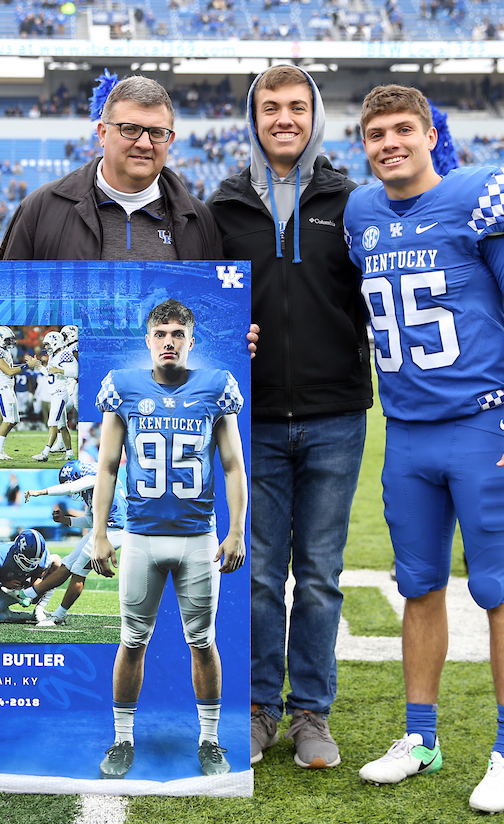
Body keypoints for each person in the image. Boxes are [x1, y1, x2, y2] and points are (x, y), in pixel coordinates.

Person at [344, 85, 504, 814]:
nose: (390, 142)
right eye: (376, 132)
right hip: (405, 434)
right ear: (364, 143)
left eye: (404, 128)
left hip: (481, 428)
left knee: (496, 584)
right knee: (419, 584)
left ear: (432, 134)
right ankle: (422, 738)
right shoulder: (360, 212)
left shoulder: (479, 197)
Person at [206, 65, 373, 770]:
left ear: (316, 116)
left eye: (296, 107)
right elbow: (200, 308)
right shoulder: (220, 208)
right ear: (253, 117)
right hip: (256, 420)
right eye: (270, 107)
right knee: (258, 570)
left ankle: (311, 712)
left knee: (322, 572)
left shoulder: (351, 202)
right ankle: (256, 707)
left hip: (337, 412)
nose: (283, 118)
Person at [90, 298, 247, 780]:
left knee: (203, 641)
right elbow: (108, 465)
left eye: (178, 334)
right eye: (160, 335)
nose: (169, 342)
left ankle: (210, 739)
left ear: (191, 341)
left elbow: (234, 465)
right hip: (139, 537)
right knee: (131, 640)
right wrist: (99, 533)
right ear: (148, 341)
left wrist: (237, 530)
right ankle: (121, 739)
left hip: (198, 537)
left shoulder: (216, 388)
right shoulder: (124, 388)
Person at [0, 75, 223, 261]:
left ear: (170, 140)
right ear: (103, 134)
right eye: (130, 129)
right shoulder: (40, 210)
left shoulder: (199, 219)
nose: (144, 144)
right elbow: (4, 302)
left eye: (156, 133)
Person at [20, 459, 128, 626]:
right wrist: (65, 520)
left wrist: (39, 492)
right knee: (68, 563)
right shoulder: (90, 489)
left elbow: (71, 487)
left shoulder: (97, 475)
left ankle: (58, 616)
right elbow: (89, 521)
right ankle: (28, 594)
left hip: (113, 531)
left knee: (78, 571)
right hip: (101, 530)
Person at [0, 529, 60, 622]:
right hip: (5, 591)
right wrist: (3, 584)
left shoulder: (43, 557)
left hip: (26, 588)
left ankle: (40, 610)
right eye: (26, 560)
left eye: (34, 561)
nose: (30, 565)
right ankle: (12, 616)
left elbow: (37, 579)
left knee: (57, 563)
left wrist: (32, 592)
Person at [0, 325, 41, 461]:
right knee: (8, 420)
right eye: (7, 339)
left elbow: (11, 367)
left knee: (14, 420)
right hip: (2, 387)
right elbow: (9, 371)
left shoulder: (3, 351)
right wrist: (27, 366)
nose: (10, 342)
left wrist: (26, 364)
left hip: (8, 387)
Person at [31, 329, 76, 462]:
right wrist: (38, 366)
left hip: (61, 393)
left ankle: (45, 453)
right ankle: (69, 453)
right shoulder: (53, 357)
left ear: (55, 343)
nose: (45, 347)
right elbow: (50, 374)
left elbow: (77, 371)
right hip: (56, 393)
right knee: (62, 425)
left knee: (53, 423)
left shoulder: (65, 354)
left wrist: (60, 370)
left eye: (47, 344)